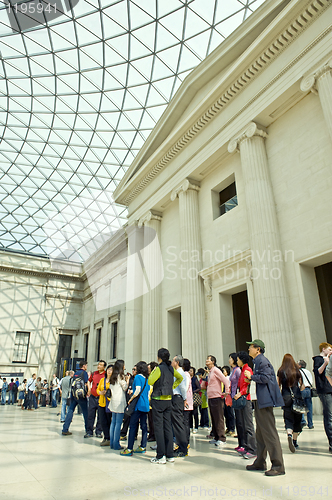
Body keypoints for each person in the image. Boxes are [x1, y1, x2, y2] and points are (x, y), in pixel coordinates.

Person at [244, 339, 285, 476]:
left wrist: (252, 376)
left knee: (269, 433)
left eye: (251, 347)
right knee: (260, 434)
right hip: (259, 401)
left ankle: (278, 465)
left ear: (258, 349)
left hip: (264, 401)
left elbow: (266, 377)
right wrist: (252, 378)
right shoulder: (257, 361)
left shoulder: (262, 360)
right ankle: (260, 462)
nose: (249, 349)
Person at [148, 347, 183, 464]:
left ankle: (160, 456)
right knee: (167, 427)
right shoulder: (170, 368)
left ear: (159, 357)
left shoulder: (159, 368)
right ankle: (169, 455)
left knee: (158, 428)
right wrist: (171, 387)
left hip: (158, 400)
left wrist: (154, 370)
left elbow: (150, 381)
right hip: (168, 399)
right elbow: (180, 377)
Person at [121, 361, 150, 456]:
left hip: (138, 405)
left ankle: (129, 448)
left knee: (133, 426)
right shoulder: (146, 379)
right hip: (145, 405)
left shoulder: (137, 377)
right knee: (144, 426)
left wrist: (131, 399)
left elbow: (137, 390)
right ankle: (143, 446)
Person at [277, 354, 304, 453]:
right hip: (297, 397)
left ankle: (289, 434)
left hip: (285, 397)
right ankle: (295, 441)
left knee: (288, 418)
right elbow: (302, 385)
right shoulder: (296, 370)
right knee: (297, 420)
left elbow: (278, 385)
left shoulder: (281, 371)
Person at [234, 351, 257, 459]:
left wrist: (241, 393)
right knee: (243, 424)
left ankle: (253, 449)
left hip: (246, 399)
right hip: (242, 398)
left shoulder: (247, 370)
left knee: (248, 425)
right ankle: (247, 447)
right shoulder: (243, 370)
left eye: (238, 359)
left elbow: (248, 384)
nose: (236, 361)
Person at [205, 355, 230, 448]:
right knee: (213, 417)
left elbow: (225, 380)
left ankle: (222, 438)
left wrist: (226, 392)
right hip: (211, 397)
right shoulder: (210, 372)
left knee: (219, 417)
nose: (206, 361)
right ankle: (216, 436)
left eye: (208, 359)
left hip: (217, 397)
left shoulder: (216, 370)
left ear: (213, 361)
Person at [313, 342, 332, 453]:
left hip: (330, 389)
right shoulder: (318, 359)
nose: (330, 351)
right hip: (324, 391)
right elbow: (318, 372)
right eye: (329, 349)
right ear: (323, 349)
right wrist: (325, 363)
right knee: (329, 416)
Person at [62, 360, 89, 436]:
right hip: (81, 395)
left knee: (70, 411)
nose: (86, 367)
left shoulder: (75, 373)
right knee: (85, 412)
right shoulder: (84, 373)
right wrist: (88, 392)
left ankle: (65, 428)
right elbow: (86, 383)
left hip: (74, 395)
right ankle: (88, 429)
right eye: (86, 365)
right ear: (84, 366)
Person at [109, 359, 130, 450]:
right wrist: (127, 380)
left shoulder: (112, 376)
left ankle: (112, 443)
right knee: (118, 423)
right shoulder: (120, 376)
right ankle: (116, 444)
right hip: (119, 401)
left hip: (113, 400)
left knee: (113, 422)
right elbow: (125, 387)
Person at [171, 355, 188, 458]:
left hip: (177, 398)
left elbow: (182, 387)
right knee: (177, 424)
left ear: (177, 362)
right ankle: (180, 446)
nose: (172, 362)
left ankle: (183, 448)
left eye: (173, 360)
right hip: (177, 398)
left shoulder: (180, 373)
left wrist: (185, 398)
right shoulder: (178, 372)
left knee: (178, 424)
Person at [86, 360, 106, 438]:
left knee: (100, 416)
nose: (98, 366)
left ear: (104, 367)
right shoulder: (94, 373)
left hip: (101, 398)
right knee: (90, 415)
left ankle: (99, 431)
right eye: (98, 364)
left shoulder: (105, 375)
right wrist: (89, 389)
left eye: (101, 365)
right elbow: (88, 381)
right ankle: (89, 431)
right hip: (92, 397)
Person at [97, 364, 113, 446]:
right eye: (108, 369)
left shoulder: (113, 381)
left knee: (109, 421)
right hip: (102, 403)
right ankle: (106, 437)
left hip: (109, 404)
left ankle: (109, 437)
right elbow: (97, 389)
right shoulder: (102, 380)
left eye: (111, 370)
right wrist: (100, 392)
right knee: (102, 421)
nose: (109, 371)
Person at [120, 366, 137, 441]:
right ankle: (123, 433)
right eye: (132, 369)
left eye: (134, 370)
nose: (133, 371)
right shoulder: (131, 378)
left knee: (135, 419)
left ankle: (134, 435)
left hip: (135, 401)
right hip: (128, 400)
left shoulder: (139, 379)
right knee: (126, 417)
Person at [298, 359, 314, 429]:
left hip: (302, 389)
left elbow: (299, 382)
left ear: (300, 365)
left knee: (301, 406)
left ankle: (302, 421)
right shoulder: (308, 371)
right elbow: (311, 381)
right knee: (309, 407)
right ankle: (310, 423)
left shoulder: (298, 372)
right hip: (308, 389)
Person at [228, 352, 241, 437]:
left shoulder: (238, 370)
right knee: (235, 415)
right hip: (233, 395)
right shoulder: (233, 370)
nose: (229, 360)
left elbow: (241, 382)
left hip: (237, 395)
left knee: (239, 417)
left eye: (230, 358)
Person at [222, 365, 236, 438]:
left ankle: (232, 428)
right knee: (226, 414)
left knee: (230, 413)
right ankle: (228, 427)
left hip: (228, 397)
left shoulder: (228, 378)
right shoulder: (224, 378)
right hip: (225, 398)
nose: (223, 372)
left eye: (224, 371)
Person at [147, 361, 158, 442]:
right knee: (150, 420)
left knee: (153, 421)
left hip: (153, 401)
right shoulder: (150, 376)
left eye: (149, 368)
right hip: (149, 401)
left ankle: (153, 435)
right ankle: (151, 434)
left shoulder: (154, 377)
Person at [189, 367, 200, 434]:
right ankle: (190, 426)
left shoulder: (194, 379)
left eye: (191, 371)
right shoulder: (187, 378)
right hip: (189, 397)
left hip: (194, 397)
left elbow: (199, 387)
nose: (190, 372)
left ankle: (196, 427)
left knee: (195, 413)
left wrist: (193, 391)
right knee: (189, 413)